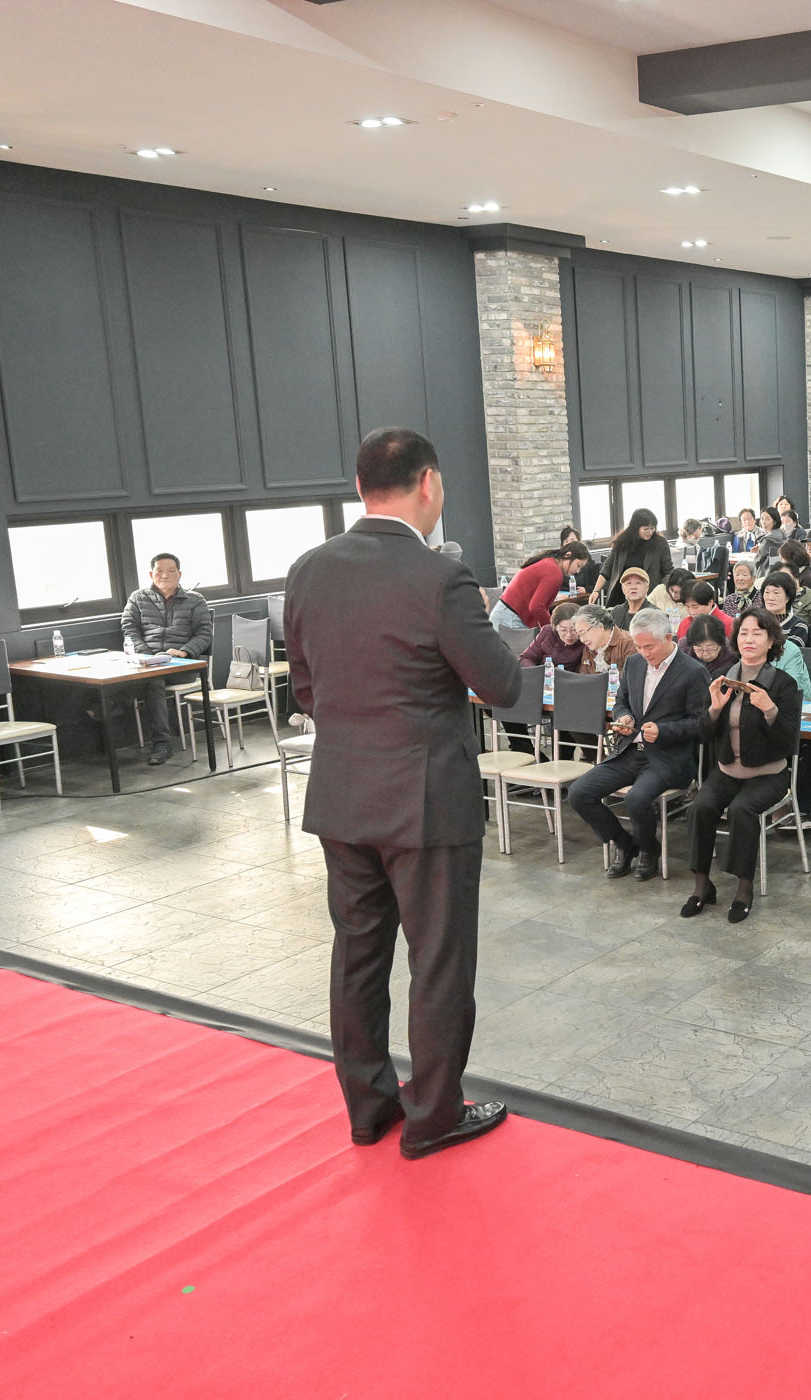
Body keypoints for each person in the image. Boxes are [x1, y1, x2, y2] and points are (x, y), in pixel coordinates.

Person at [284, 427, 522, 1159]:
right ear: (429, 484)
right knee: (437, 962)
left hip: (342, 791)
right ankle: (433, 1115)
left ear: (361, 488)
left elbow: (305, 690)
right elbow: (503, 685)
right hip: (426, 802)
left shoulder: (307, 569)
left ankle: (368, 1108)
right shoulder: (439, 577)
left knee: (357, 956)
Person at [565, 609, 710, 881]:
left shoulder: (693, 672)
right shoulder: (634, 663)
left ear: (669, 638)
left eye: (649, 646)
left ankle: (647, 850)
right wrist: (624, 717)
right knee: (579, 792)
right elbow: (621, 702)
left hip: (669, 757)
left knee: (637, 798)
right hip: (630, 750)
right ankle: (624, 843)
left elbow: (701, 723)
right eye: (639, 646)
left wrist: (663, 731)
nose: (644, 653)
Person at [683, 610, 804, 925]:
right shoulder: (722, 677)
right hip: (727, 771)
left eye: (757, 633)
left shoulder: (783, 684)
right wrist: (714, 710)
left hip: (769, 773)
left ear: (771, 641)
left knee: (742, 809)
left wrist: (770, 710)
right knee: (700, 807)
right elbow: (702, 734)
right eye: (744, 633)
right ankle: (702, 884)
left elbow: (788, 740)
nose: (749, 639)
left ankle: (744, 887)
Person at [120, 551, 213, 766]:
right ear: (151, 574)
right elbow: (129, 629)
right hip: (145, 662)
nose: (165, 575)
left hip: (181, 665)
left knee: (154, 680)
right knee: (144, 677)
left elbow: (204, 633)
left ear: (179, 574)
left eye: (171, 571)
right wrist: (147, 655)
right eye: (159, 571)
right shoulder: (137, 598)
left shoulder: (195, 600)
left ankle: (161, 743)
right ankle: (111, 703)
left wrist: (184, 651)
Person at [492, 542, 594, 631]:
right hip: (510, 618)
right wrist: (550, 629)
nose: (578, 571)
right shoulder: (554, 572)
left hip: (504, 613)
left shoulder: (549, 561)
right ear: (568, 555)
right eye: (578, 565)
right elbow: (536, 607)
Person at [598, 509, 673, 598]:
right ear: (635, 527)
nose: (650, 532)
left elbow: (668, 571)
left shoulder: (660, 543)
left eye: (652, 528)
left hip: (650, 595)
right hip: (621, 594)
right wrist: (596, 590)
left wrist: (671, 593)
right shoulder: (622, 541)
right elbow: (607, 568)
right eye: (646, 529)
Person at [521, 601, 588, 672]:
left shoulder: (586, 639)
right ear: (555, 627)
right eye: (563, 630)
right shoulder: (547, 632)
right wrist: (536, 672)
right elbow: (526, 658)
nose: (569, 635)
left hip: (571, 677)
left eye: (574, 630)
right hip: (543, 675)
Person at [574, 605, 637, 675]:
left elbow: (632, 676)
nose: (582, 640)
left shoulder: (629, 644)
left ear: (600, 627)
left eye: (583, 633)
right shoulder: (589, 646)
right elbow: (584, 676)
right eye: (579, 635)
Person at [679, 609, 734, 681]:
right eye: (699, 648)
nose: (705, 654)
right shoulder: (683, 649)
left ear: (721, 643)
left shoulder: (731, 656)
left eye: (710, 648)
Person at [605, 566, 652, 632]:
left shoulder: (654, 614)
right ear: (623, 589)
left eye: (638, 583)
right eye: (628, 583)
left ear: (647, 588)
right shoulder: (616, 612)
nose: (633, 587)